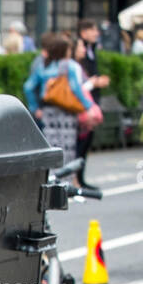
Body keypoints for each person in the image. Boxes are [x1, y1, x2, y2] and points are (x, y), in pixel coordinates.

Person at [25, 35, 93, 182]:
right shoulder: (68, 66)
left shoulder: (43, 65)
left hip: (47, 112)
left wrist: (35, 108)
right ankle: (65, 182)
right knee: (66, 149)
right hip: (66, 113)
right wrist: (88, 106)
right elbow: (76, 89)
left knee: (50, 147)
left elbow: (28, 87)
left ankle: (49, 179)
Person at [74, 32, 110, 184]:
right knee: (75, 148)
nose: (83, 49)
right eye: (80, 46)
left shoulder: (79, 65)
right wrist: (92, 85)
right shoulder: (72, 66)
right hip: (77, 111)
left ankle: (79, 180)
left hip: (82, 110)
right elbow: (77, 89)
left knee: (81, 147)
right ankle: (75, 181)